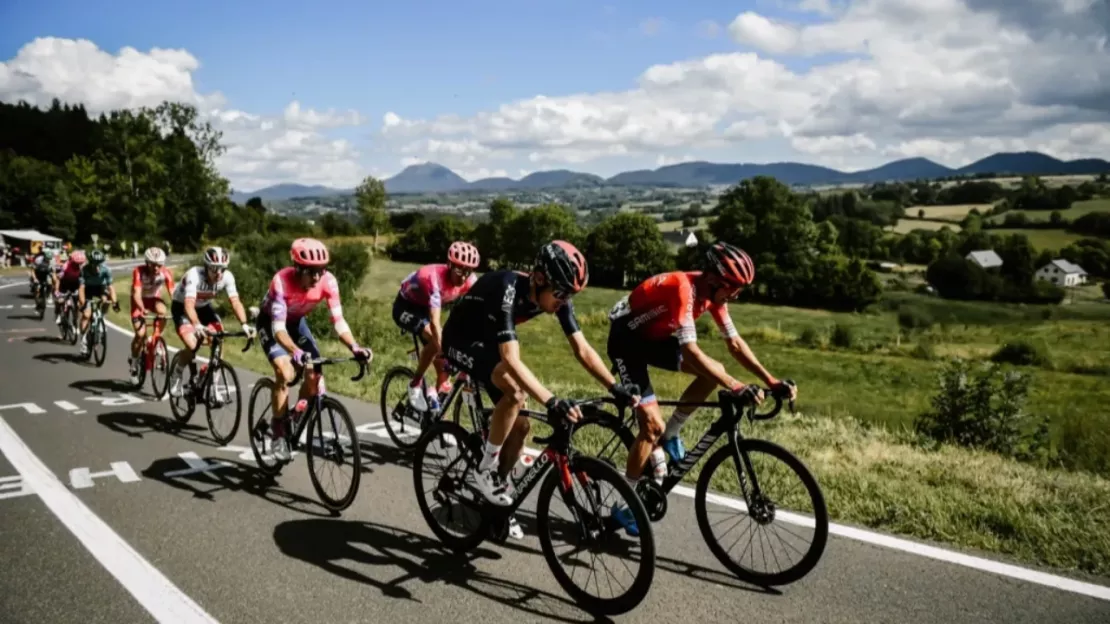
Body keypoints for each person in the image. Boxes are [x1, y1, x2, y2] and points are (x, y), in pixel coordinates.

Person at [440, 240, 640, 539]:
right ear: (539, 278)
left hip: (488, 341)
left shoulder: (556, 296)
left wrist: (615, 386)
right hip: (460, 340)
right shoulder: (507, 289)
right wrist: (552, 400)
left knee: (521, 427)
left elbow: (582, 350)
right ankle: (484, 468)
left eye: (570, 295)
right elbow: (510, 359)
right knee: (516, 394)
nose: (564, 301)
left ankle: (498, 497)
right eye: (561, 293)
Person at [604, 241, 798, 535]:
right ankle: (626, 502)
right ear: (713, 279)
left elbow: (734, 344)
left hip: (654, 340)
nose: (735, 294)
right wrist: (735, 386)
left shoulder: (714, 296)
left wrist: (771, 380)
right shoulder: (682, 288)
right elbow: (691, 351)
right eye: (732, 287)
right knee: (650, 427)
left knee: (713, 372)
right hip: (626, 342)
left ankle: (672, 434)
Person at [256, 238, 371, 461]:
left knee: (314, 375)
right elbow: (279, 330)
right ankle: (278, 433)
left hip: (297, 323)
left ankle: (294, 417)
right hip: (271, 324)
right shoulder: (282, 281)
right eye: (311, 272)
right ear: (298, 269)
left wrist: (355, 347)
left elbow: (338, 321)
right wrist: (294, 352)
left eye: (321, 270)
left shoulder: (329, 282)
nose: (317, 277)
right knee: (284, 371)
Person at [392, 241, 479, 412]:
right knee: (435, 338)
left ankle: (437, 419)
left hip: (425, 307)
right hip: (406, 306)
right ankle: (415, 383)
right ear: (449, 265)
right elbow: (435, 323)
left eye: (468, 271)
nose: (463, 276)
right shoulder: (434, 277)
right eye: (459, 270)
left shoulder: (470, 281)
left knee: (444, 370)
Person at [168, 246, 255, 395]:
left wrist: (244, 324)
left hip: (204, 307)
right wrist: (196, 325)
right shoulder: (194, 275)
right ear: (206, 267)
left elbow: (235, 302)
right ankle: (177, 372)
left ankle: (212, 386)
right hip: (182, 307)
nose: (219, 273)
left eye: (222, 268)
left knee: (219, 340)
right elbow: (189, 305)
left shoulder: (227, 277)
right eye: (215, 269)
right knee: (192, 344)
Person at [128, 247, 175, 384]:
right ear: (147, 263)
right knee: (140, 334)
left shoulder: (166, 273)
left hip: (154, 299)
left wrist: (180, 308)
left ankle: (156, 337)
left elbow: (173, 293)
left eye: (159, 265)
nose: (156, 268)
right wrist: (142, 309)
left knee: (163, 312)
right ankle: (135, 363)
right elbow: (136, 293)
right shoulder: (138, 271)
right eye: (153, 265)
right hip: (139, 301)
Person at [76, 249, 119, 356]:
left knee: (106, 300)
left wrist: (115, 302)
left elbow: (111, 288)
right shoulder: (84, 270)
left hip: (100, 288)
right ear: (90, 263)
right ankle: (84, 340)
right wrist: (83, 304)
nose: (97, 267)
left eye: (99, 264)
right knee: (86, 315)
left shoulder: (106, 270)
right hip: (87, 290)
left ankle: (102, 318)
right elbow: (81, 289)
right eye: (94, 264)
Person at [54, 249, 85, 325]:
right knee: (60, 300)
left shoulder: (82, 267)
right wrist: (57, 290)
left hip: (75, 286)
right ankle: (58, 314)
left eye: (80, 263)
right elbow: (58, 279)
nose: (79, 265)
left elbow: (83, 282)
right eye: (77, 263)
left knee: (78, 303)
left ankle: (75, 318)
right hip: (64, 285)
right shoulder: (65, 266)